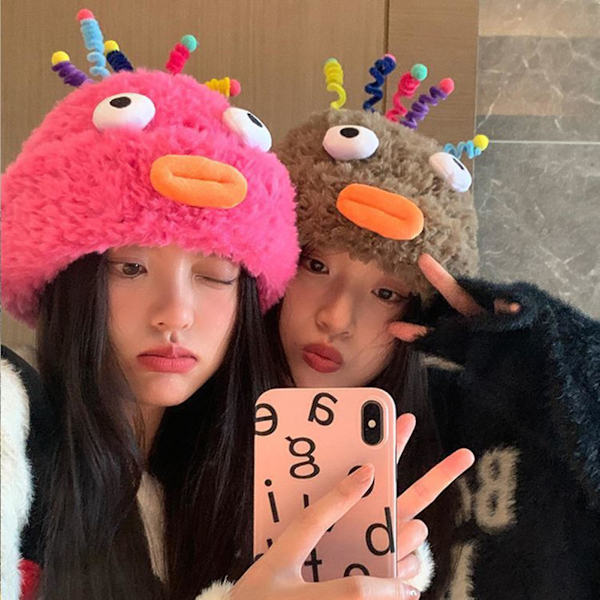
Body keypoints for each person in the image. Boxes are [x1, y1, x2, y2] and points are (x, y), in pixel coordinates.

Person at [1, 12, 471, 600]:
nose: (175, 313)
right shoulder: (11, 415)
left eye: (214, 276)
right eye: (130, 268)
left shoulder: (195, 482)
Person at [273, 56, 600, 598]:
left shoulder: (481, 420)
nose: (335, 318)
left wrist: (555, 366)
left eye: (387, 293)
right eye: (315, 265)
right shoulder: (188, 404)